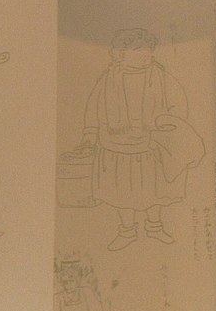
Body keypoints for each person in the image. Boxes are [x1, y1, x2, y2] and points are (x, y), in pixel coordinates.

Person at [78, 28, 204, 251]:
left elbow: (178, 105)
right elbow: (93, 109)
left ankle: (154, 227)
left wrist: (168, 123)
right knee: (121, 191)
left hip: (151, 146)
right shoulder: (108, 79)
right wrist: (89, 135)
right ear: (121, 53)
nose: (146, 55)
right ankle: (126, 231)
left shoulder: (161, 77)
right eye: (138, 50)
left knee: (154, 190)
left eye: (148, 50)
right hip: (115, 146)